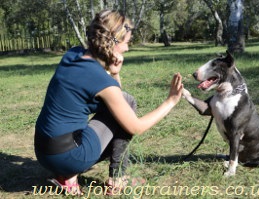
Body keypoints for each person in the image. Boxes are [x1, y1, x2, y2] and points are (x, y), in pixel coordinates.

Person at [34, 9, 183, 195]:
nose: (128, 48)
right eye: (127, 42)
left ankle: (67, 176)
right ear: (113, 42)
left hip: (43, 153)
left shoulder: (72, 55)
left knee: (122, 104)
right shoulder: (100, 80)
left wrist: (115, 73)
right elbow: (135, 126)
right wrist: (170, 101)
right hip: (68, 156)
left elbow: (114, 98)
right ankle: (117, 179)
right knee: (128, 103)